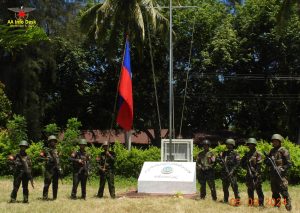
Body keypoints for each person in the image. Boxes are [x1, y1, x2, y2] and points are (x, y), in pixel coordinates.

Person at [264, 134, 292, 211]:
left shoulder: (284, 150)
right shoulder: (272, 151)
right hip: (273, 175)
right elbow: (267, 162)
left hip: (281, 175)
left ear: (279, 142)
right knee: (274, 191)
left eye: (276, 141)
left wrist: (283, 169)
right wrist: (267, 160)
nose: (274, 143)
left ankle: (288, 204)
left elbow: (289, 164)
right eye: (273, 141)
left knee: (284, 191)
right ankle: (277, 205)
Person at [241, 138, 264, 206]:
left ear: (254, 145)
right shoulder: (247, 154)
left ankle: (261, 204)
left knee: (258, 189)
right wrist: (246, 167)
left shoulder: (258, 153)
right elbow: (242, 163)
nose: (250, 146)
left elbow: (259, 165)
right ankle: (251, 203)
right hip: (249, 174)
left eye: (251, 144)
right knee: (250, 189)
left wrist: (256, 173)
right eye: (249, 144)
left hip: (256, 174)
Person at [218, 138, 241, 205]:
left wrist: (232, 171)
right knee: (225, 188)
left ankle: (237, 201)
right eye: (227, 144)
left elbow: (238, 163)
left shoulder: (235, 153)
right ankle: (225, 200)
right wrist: (220, 160)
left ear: (232, 145)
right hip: (225, 173)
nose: (228, 146)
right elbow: (219, 160)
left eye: (229, 145)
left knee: (235, 188)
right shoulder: (224, 153)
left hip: (232, 174)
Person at [40, 135, 62, 200]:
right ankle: (45, 197)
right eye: (51, 141)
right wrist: (46, 158)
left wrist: (60, 168)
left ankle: (54, 197)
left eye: (54, 141)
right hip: (48, 169)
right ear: (49, 142)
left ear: (55, 142)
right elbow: (40, 157)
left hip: (56, 169)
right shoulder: (45, 150)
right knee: (47, 183)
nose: (53, 142)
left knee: (55, 184)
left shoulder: (58, 150)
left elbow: (59, 160)